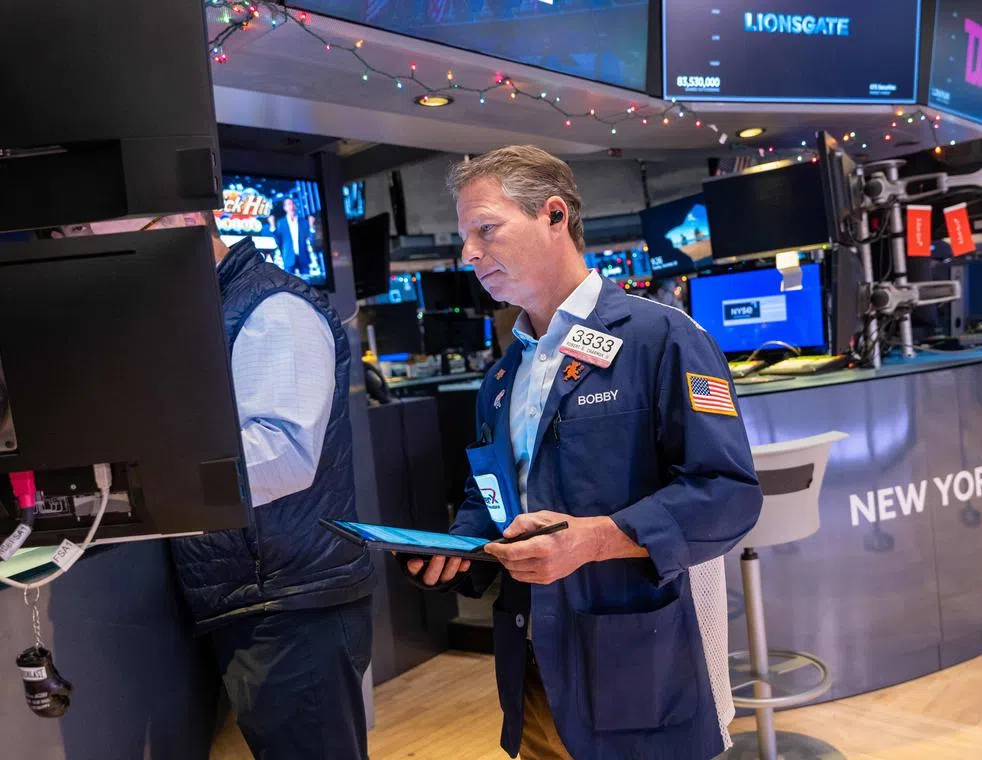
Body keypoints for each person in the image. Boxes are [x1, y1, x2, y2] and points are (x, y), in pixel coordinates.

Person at [406, 146, 761, 759]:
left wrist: (594, 539)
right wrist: (460, 548)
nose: (468, 254)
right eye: (464, 237)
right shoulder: (499, 379)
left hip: (636, 665)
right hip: (534, 667)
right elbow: (491, 492)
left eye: (485, 229)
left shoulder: (662, 338)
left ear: (553, 216)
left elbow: (727, 494)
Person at [161, 213, 375, 760]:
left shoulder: (271, 307)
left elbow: (283, 454)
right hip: (248, 601)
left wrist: (143, 483)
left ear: (183, 218)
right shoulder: (201, 309)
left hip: (287, 604)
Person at [273, 196, 312, 275]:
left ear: (295, 206)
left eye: (292, 203)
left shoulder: (303, 221)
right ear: (284, 207)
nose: (291, 206)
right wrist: (273, 228)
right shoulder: (281, 223)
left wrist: (311, 227)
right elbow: (278, 241)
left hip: (303, 257)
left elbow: (310, 239)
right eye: (288, 204)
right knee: (289, 284)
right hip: (288, 257)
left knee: (306, 282)